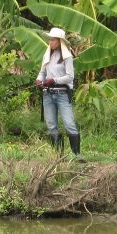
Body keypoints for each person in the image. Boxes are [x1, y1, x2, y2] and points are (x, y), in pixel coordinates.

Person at [34, 27, 85, 162]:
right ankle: (59, 156)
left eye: (52, 40)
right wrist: (39, 80)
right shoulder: (47, 55)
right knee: (51, 126)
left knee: (69, 124)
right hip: (48, 94)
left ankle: (76, 154)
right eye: (50, 39)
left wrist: (54, 80)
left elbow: (69, 77)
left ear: (60, 41)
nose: (50, 42)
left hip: (62, 94)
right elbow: (42, 72)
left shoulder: (67, 57)